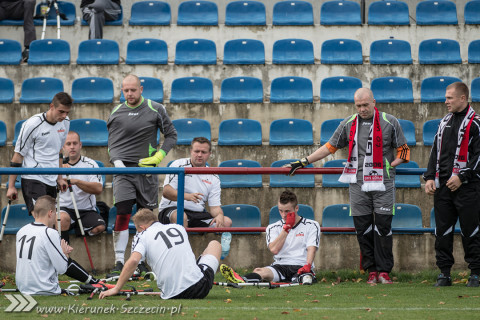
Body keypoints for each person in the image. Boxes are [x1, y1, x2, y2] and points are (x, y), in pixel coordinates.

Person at [285, 88, 410, 284]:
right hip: (357, 183)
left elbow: (404, 151)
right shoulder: (348, 123)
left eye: (365, 105)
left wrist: (389, 166)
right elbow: (329, 147)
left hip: (383, 183)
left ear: (373, 102)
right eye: (358, 106)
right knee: (363, 228)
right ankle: (371, 271)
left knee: (383, 227)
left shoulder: (390, 121)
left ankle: (384, 271)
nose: (362, 109)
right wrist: (303, 161)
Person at [107, 74, 177, 278]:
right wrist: (118, 163)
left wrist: (159, 156)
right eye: (125, 90)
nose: (129, 94)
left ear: (141, 89)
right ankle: (119, 261)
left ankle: (142, 261)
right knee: (122, 211)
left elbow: (171, 135)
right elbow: (111, 144)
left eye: (133, 90)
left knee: (146, 217)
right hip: (123, 172)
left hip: (147, 170)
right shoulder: (116, 112)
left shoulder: (156, 108)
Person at [424, 82, 480, 287]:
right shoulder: (444, 122)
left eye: (450, 98)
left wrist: (462, 176)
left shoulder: (476, 123)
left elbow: (479, 157)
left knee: (471, 230)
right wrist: (430, 177)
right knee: (443, 231)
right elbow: (435, 152)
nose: (445, 101)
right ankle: (444, 273)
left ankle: (475, 273)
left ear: (462, 98)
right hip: (444, 188)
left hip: (468, 188)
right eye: (446, 97)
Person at [99, 208, 221, 300]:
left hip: (171, 294)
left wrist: (116, 288)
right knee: (215, 244)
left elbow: (133, 261)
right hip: (199, 287)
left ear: (141, 227)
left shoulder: (143, 235)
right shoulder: (179, 228)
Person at [220, 190, 320, 284]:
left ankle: (301, 277)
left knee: (306, 278)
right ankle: (241, 279)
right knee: (260, 271)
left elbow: (311, 248)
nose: (283, 215)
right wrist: (286, 229)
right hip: (280, 266)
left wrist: (308, 265)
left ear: (296, 208)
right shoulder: (273, 227)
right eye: (280, 211)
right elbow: (274, 249)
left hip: (302, 265)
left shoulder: (312, 225)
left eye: (287, 211)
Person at [16, 195, 100, 295]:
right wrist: (64, 254)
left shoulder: (21, 230)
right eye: (56, 212)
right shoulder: (49, 233)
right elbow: (62, 268)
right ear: (50, 213)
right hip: (44, 289)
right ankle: (94, 282)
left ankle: (93, 282)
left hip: (23, 288)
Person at [7, 92, 72, 215]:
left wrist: (60, 177)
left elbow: (59, 150)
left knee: (51, 219)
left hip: (52, 178)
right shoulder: (32, 124)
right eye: (61, 111)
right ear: (51, 106)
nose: (64, 115)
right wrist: (11, 186)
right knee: (42, 217)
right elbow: (18, 155)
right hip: (33, 177)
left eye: (67, 112)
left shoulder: (66, 122)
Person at [158, 136, 232, 228]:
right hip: (173, 210)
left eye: (203, 152)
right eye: (197, 151)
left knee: (226, 222)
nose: (200, 155)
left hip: (197, 214)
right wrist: (187, 196)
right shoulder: (178, 165)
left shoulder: (214, 176)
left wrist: (219, 215)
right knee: (181, 217)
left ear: (210, 154)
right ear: (191, 151)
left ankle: (213, 243)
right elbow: (166, 192)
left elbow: (215, 207)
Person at [59, 131, 105, 244]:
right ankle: (64, 256)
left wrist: (76, 182)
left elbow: (98, 189)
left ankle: (76, 227)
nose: (72, 147)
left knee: (99, 227)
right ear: (63, 147)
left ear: (80, 145)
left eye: (75, 143)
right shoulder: (56, 165)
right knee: (62, 219)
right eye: (68, 144)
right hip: (64, 209)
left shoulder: (90, 164)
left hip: (86, 210)